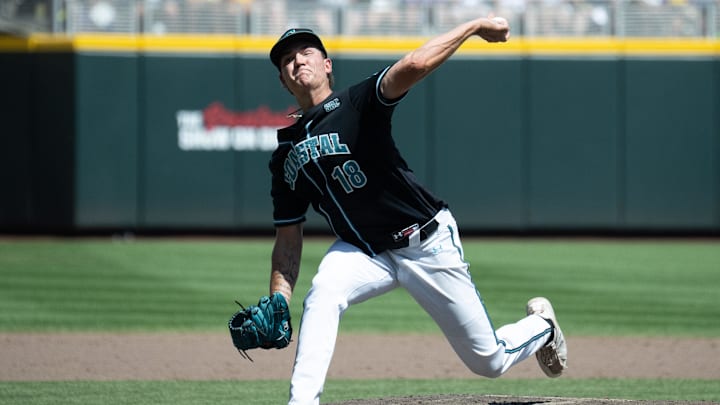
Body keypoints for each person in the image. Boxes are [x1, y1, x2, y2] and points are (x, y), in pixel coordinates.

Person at [266, 17, 567, 405]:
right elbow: (288, 238)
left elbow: (414, 66)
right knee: (323, 291)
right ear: (282, 80)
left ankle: (541, 326)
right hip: (366, 250)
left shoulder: (357, 103)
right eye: (287, 60)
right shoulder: (285, 154)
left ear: (327, 65)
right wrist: (277, 297)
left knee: (488, 360)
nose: (297, 61)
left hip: (425, 240)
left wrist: (472, 27)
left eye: (307, 52)